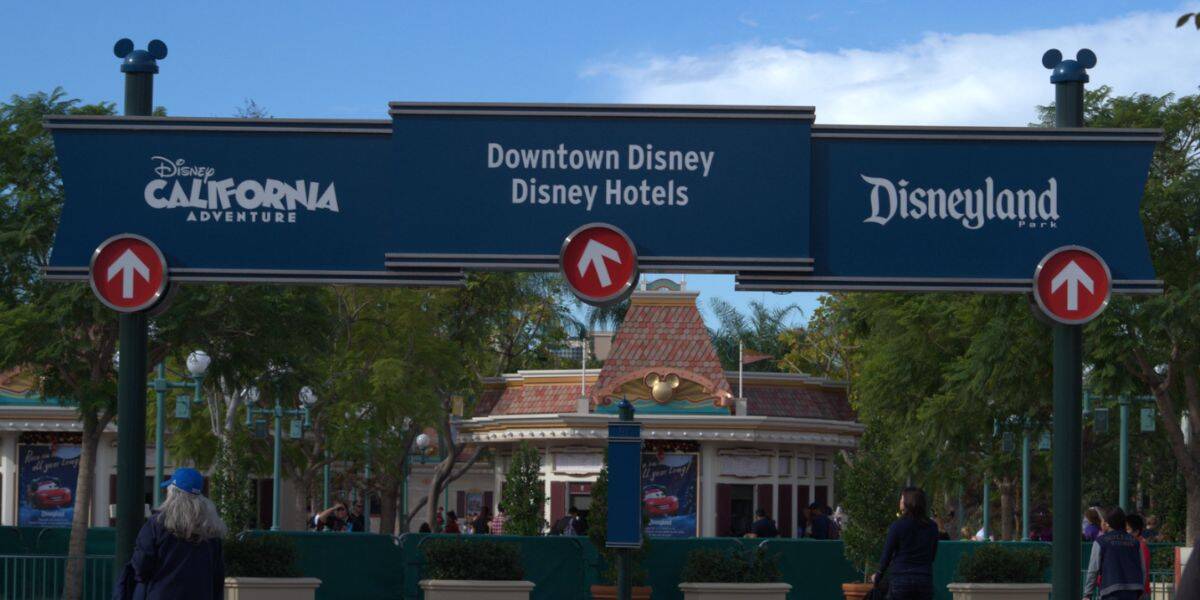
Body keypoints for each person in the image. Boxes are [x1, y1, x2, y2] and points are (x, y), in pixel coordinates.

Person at [114, 467, 227, 600]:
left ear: (172, 493)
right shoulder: (211, 531)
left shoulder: (156, 525)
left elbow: (141, 568)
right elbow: (217, 577)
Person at [873, 487, 939, 600]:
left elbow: (887, 555)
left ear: (908, 502)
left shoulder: (897, 526)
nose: (900, 501)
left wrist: (877, 576)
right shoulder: (932, 527)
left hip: (901, 579)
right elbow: (932, 555)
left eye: (902, 498)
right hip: (924, 579)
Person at [1083, 507, 1144, 600]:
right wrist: (1140, 589)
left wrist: (1087, 594)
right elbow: (1142, 568)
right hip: (1133, 589)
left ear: (1108, 523)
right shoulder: (1135, 542)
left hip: (1111, 589)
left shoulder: (1100, 542)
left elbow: (1093, 569)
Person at [1125, 513, 1151, 599]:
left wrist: (1140, 592)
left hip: (1140, 593)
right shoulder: (1132, 545)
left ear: (1136, 532)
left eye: (1127, 529)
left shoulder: (1141, 546)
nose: (1124, 532)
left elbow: (1144, 571)